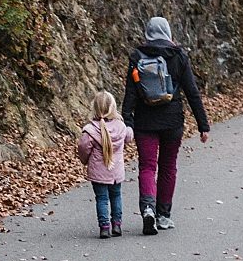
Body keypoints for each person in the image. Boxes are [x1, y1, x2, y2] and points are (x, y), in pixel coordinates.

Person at [121, 16, 210, 235]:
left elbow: (130, 94)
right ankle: (163, 215)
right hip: (172, 121)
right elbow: (192, 92)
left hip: (145, 122)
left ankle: (148, 209)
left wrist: (128, 121)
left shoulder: (137, 56)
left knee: (147, 166)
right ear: (168, 32)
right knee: (168, 167)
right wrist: (203, 124)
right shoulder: (179, 55)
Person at [77, 90, 133, 238]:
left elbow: (83, 147)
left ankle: (104, 227)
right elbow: (129, 136)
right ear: (113, 108)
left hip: (98, 172)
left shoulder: (90, 130)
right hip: (116, 171)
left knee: (102, 198)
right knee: (116, 196)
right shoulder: (121, 127)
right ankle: (117, 224)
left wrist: (85, 160)